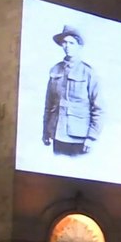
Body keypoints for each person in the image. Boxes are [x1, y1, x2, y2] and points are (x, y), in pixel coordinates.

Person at [42, 24, 102, 156]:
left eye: (71, 43)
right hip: (57, 134)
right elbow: (49, 105)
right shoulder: (55, 70)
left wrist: (91, 137)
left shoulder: (88, 73)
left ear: (79, 46)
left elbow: (98, 108)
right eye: (64, 43)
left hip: (79, 137)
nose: (67, 46)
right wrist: (46, 131)